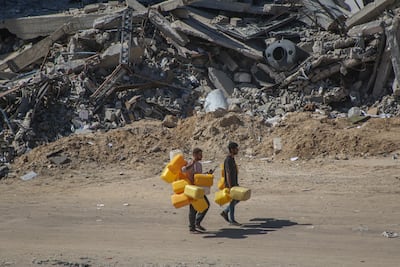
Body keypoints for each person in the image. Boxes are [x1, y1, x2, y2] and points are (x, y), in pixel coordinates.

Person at [182, 148, 210, 233]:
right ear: (194, 155)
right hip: (192, 189)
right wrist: (192, 163)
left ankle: (196, 223)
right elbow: (183, 170)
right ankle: (192, 227)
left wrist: (206, 174)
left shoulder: (199, 165)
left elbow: (198, 176)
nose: (201, 156)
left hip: (199, 189)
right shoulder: (190, 163)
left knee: (206, 205)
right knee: (193, 209)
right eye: (200, 154)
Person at [220, 142, 242, 226]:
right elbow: (228, 173)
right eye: (236, 148)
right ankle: (232, 220)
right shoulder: (228, 160)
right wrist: (230, 186)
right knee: (233, 201)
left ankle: (225, 212)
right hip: (231, 184)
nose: (237, 150)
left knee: (238, 199)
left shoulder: (232, 159)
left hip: (234, 183)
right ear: (232, 149)